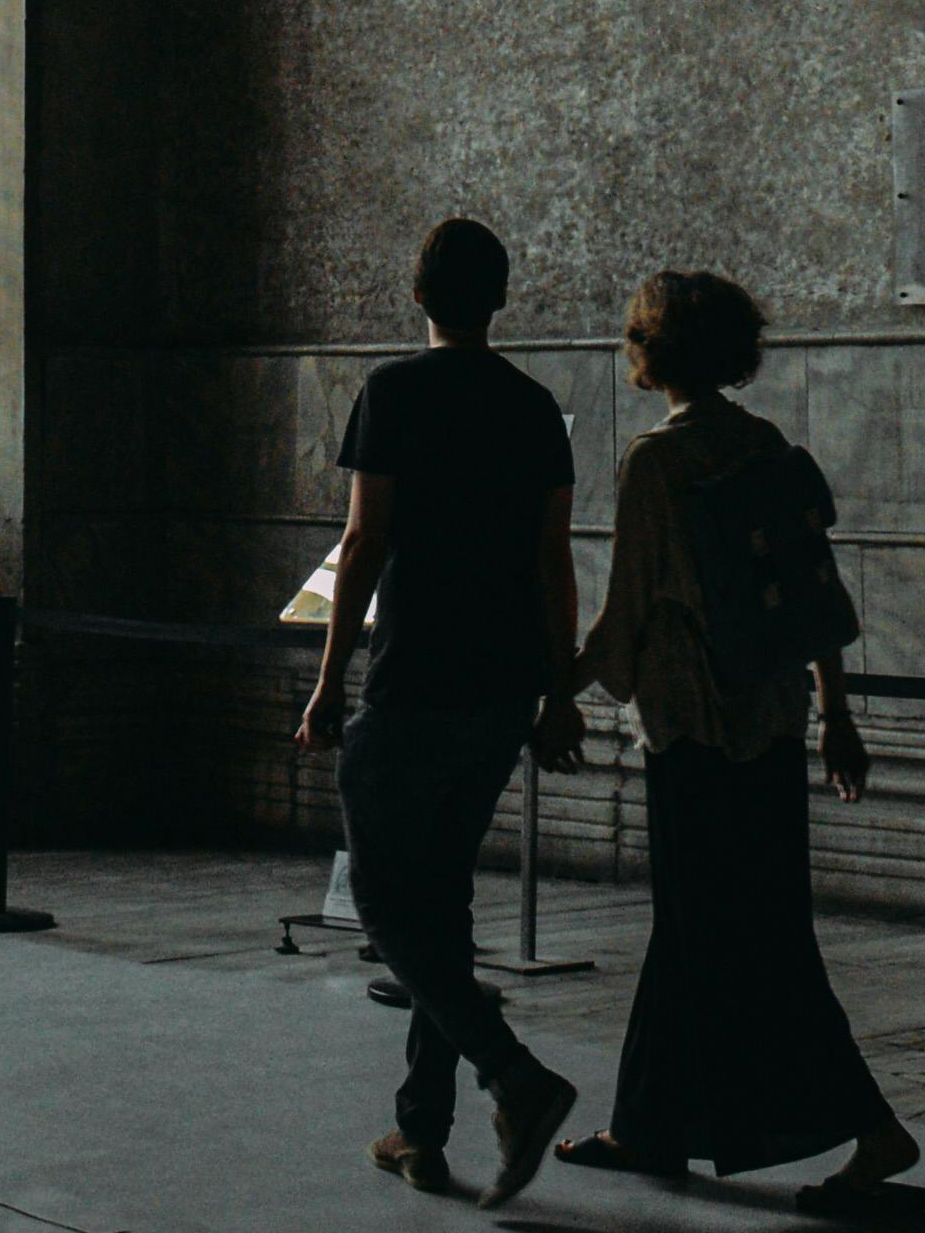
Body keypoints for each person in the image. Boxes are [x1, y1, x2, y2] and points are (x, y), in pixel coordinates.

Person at [549, 268, 921, 1203]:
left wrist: (555, 692)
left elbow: (621, 619)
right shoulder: (763, 446)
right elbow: (816, 601)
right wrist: (836, 716)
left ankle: (875, 1131)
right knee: (716, 927)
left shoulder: (656, 463)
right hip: (772, 727)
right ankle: (647, 1126)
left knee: (737, 938)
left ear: (651, 352)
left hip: (692, 730)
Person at [295, 216, 579, 1206]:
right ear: (498, 297)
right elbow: (553, 559)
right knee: (441, 906)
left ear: (417, 295)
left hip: (413, 675)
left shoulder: (394, 393)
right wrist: (558, 692)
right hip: (501, 686)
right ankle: (421, 1128)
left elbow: (365, 540)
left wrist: (329, 678)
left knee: (382, 902)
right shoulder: (535, 407)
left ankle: (514, 1075)